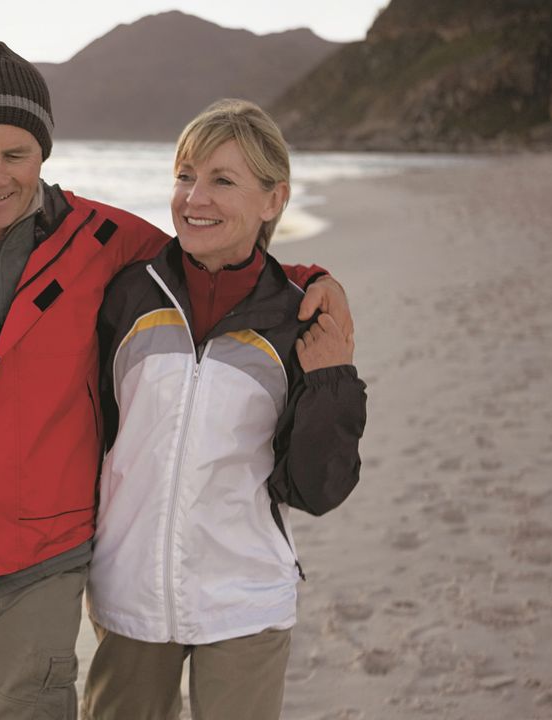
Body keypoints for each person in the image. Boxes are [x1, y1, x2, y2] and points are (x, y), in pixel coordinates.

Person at [0, 43, 351, 719]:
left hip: (43, 562)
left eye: (17, 155)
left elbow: (210, 252)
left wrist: (311, 283)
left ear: (43, 156)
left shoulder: (105, 242)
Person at [82, 99, 368, 720]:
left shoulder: (298, 318)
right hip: (130, 590)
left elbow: (316, 488)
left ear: (273, 199)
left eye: (222, 180)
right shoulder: (127, 295)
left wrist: (332, 380)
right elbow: (90, 433)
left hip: (245, 597)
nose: (194, 198)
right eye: (185, 175)